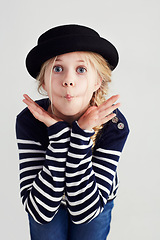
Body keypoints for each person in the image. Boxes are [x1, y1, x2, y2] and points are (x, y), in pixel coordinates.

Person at [16, 24, 129, 240]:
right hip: (47, 197)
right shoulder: (30, 119)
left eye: (81, 69)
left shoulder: (113, 124)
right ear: (44, 83)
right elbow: (40, 211)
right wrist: (58, 136)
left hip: (94, 200)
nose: (68, 80)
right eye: (58, 69)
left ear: (97, 81)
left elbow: (85, 212)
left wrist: (81, 135)